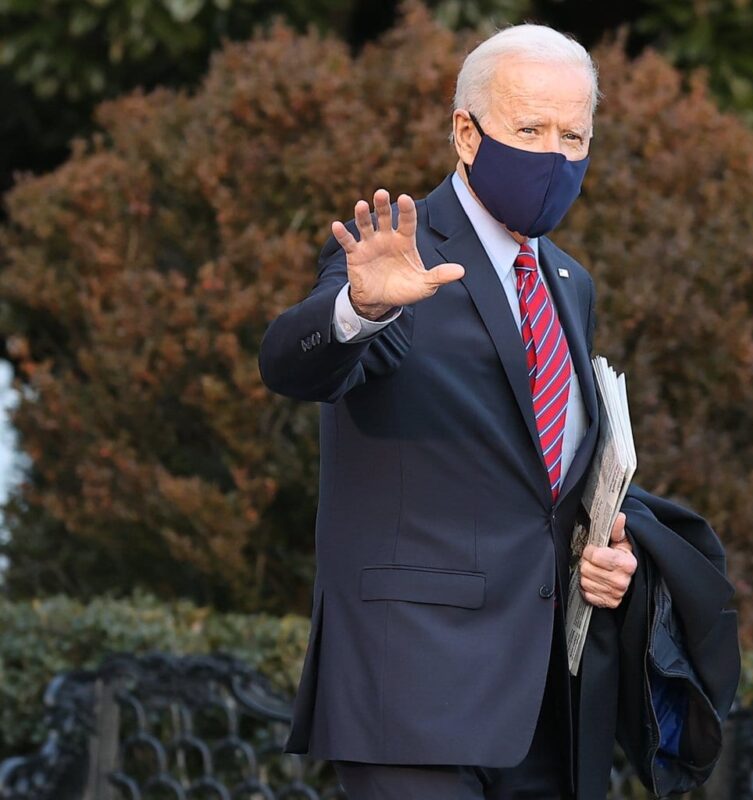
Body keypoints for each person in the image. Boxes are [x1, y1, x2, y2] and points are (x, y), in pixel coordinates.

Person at [258, 24, 642, 799]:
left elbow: (541, 482)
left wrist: (604, 551)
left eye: (574, 136)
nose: (555, 155)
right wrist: (360, 307)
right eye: (529, 130)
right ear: (467, 133)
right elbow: (290, 362)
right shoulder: (396, 255)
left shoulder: (570, 283)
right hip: (412, 688)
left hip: (544, 701)